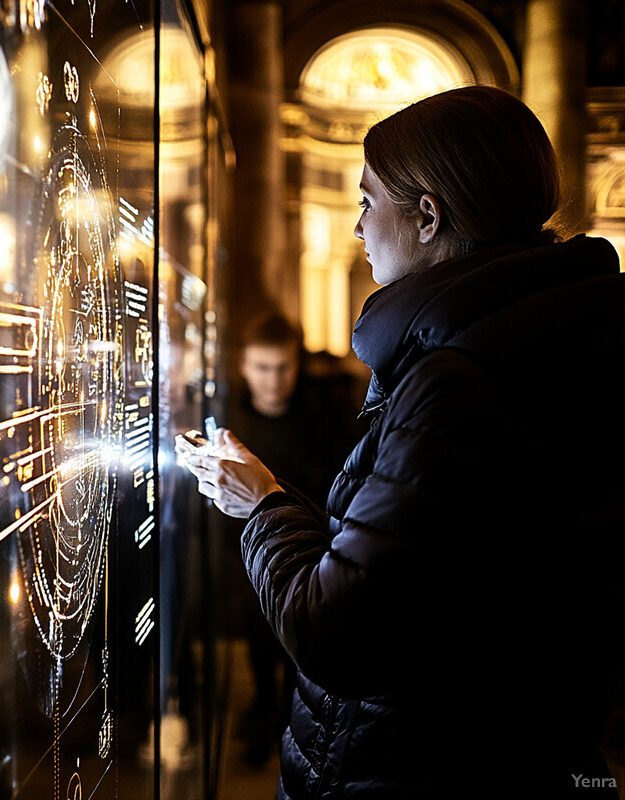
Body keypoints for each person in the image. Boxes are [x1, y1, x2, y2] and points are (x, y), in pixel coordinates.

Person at [185, 85, 625, 798]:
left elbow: (337, 635)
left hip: (414, 765)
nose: (357, 229)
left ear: (427, 216)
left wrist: (260, 503)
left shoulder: (454, 381)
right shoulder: (556, 335)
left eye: (367, 201)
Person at [224, 311, 361, 765]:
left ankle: (287, 721)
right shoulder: (231, 422)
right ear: (244, 366)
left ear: (296, 366)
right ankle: (264, 713)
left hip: (313, 551)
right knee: (259, 644)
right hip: (246, 556)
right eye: (262, 367)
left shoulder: (323, 418)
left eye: (282, 367)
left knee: (302, 654)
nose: (273, 380)